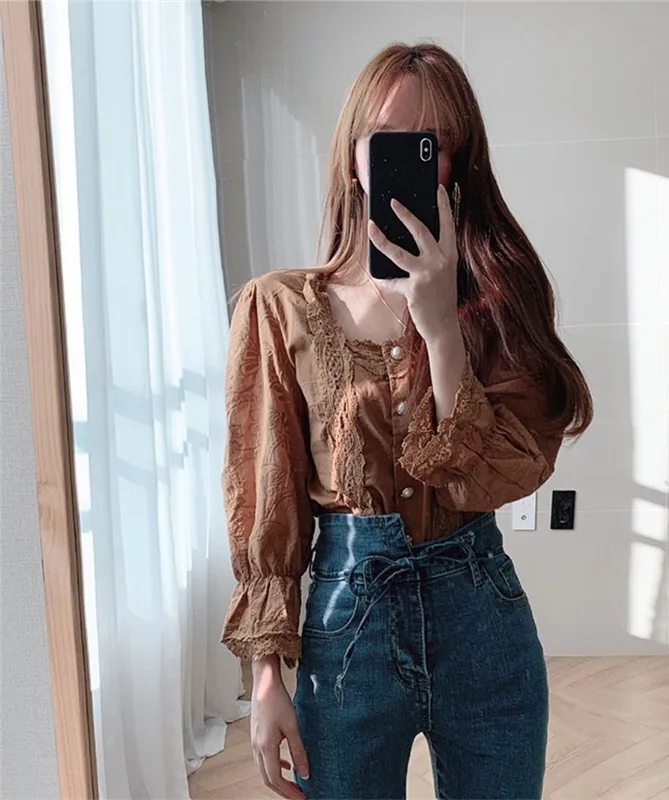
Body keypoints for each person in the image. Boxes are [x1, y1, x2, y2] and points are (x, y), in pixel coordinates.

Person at [220, 42, 592, 800]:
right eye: (388, 139)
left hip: (481, 621)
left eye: (433, 144)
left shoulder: (499, 298)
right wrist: (266, 682)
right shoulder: (281, 307)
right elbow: (266, 503)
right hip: (345, 634)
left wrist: (441, 325)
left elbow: (501, 474)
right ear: (353, 154)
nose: (410, 160)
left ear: (458, 165)